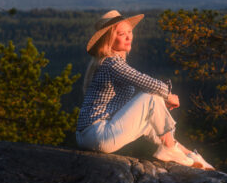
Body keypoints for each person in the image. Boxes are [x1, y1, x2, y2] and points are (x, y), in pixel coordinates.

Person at [75, 10, 213, 169]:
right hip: (97, 134)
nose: (128, 37)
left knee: (150, 118)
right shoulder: (111, 63)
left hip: (90, 136)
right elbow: (148, 83)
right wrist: (168, 95)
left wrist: (160, 107)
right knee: (151, 96)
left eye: (129, 32)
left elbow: (128, 107)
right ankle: (170, 149)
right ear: (109, 39)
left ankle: (189, 155)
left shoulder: (108, 63)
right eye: (121, 34)